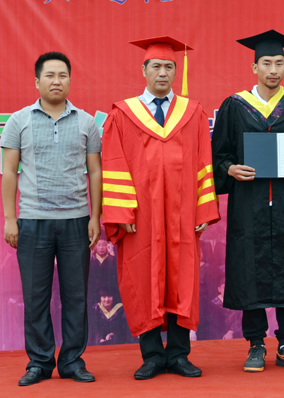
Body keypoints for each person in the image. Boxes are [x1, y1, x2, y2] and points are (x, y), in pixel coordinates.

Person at [101, 36, 220, 380]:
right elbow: (114, 163)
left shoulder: (192, 113)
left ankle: (179, 355)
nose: (163, 72)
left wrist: (203, 209)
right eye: (156, 66)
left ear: (175, 71)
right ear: (144, 70)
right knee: (143, 278)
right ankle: (152, 356)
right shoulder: (122, 114)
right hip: (140, 216)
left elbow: (204, 161)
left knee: (182, 279)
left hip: (182, 214)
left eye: (169, 66)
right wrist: (122, 213)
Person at [212, 30, 284, 372]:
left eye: (278, 63)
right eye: (266, 63)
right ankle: (255, 344)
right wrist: (230, 169)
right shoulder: (235, 106)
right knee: (249, 268)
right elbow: (219, 155)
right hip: (249, 204)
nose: (273, 70)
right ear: (254, 67)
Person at [1, 52, 102, 386]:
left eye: (62, 75)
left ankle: (72, 361)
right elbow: (9, 172)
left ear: (70, 80)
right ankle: (40, 362)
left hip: (76, 220)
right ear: (37, 81)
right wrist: (10, 218)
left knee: (76, 297)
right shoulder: (19, 120)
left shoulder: (86, 122)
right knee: (35, 297)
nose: (56, 81)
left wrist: (95, 216)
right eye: (50, 75)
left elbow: (95, 171)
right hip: (32, 221)